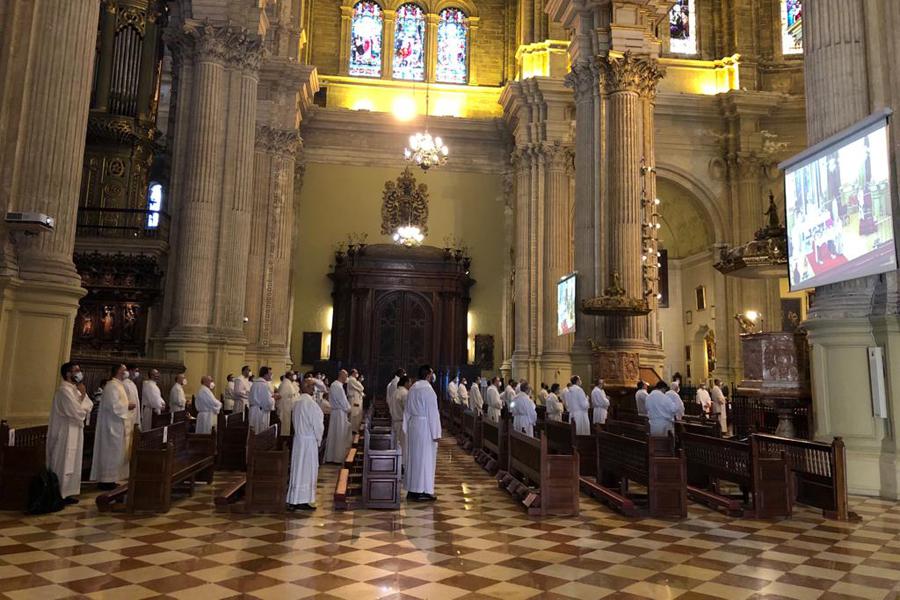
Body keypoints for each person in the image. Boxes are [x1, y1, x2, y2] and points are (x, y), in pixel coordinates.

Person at [47, 361, 94, 503]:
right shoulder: (64, 390)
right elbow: (77, 411)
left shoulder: (75, 389)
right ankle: (59, 492)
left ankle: (68, 492)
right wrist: (82, 399)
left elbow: (89, 404)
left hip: (75, 429)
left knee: (73, 462)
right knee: (63, 460)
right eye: (76, 370)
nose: (79, 373)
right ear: (68, 373)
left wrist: (82, 396)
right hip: (65, 432)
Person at [90, 364, 135, 489]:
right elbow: (114, 405)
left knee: (116, 453)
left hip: (118, 424)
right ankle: (105, 480)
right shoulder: (111, 386)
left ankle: (112, 479)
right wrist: (127, 406)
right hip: (111, 426)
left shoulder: (119, 385)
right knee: (110, 452)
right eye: (123, 370)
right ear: (118, 372)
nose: (126, 372)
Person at [287, 377, 325, 511]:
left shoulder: (297, 403)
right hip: (308, 442)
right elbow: (318, 425)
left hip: (299, 441)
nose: (314, 389)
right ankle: (304, 500)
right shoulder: (311, 404)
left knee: (298, 469)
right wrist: (319, 440)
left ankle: (294, 499)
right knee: (308, 470)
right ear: (308, 389)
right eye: (312, 387)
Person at [404, 364, 441, 502]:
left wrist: (406, 426)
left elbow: (407, 409)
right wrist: (436, 433)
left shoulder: (413, 388)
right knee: (424, 459)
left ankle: (412, 489)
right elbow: (433, 413)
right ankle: (422, 490)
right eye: (431, 374)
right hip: (425, 427)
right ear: (428, 375)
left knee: (414, 458)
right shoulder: (428, 390)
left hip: (414, 425)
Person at [324, 370, 352, 463]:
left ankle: (333, 456)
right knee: (339, 435)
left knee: (336, 435)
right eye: (346, 376)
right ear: (342, 376)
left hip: (338, 413)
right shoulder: (337, 386)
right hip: (339, 413)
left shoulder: (336, 385)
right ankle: (337, 458)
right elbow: (343, 401)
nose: (347, 378)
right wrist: (349, 409)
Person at [249, 367, 275, 432]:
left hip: (254, 410)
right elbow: (266, 402)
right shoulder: (263, 385)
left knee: (254, 432)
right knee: (260, 433)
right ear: (265, 374)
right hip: (260, 412)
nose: (271, 375)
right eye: (270, 374)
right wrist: (274, 398)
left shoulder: (255, 383)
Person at [123, 366, 141, 433]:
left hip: (135, 413)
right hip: (128, 413)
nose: (137, 373)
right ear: (130, 371)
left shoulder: (132, 384)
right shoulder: (124, 383)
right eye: (135, 371)